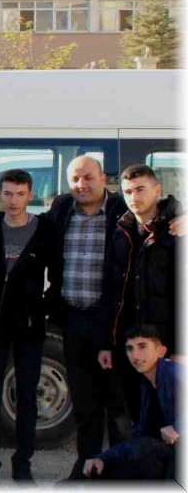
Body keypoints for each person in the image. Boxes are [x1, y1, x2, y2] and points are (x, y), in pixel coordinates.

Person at [37, 155, 131, 479]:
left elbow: (159, 206)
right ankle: (86, 470)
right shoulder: (61, 211)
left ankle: (118, 475)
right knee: (85, 404)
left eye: (88, 177)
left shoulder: (123, 210)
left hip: (113, 323)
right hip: (74, 321)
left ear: (103, 178)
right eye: (75, 179)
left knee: (118, 407)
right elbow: (26, 224)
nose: (82, 184)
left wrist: (178, 213)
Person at [0, 169, 54, 485]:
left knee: (27, 399)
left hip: (30, 327)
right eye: (7, 193)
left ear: (30, 195)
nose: (14, 200)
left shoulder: (44, 229)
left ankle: (23, 465)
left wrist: (43, 307)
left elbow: (56, 273)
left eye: (20, 194)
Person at [104, 164, 181, 420]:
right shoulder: (120, 232)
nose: (134, 198)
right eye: (127, 192)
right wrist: (107, 344)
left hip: (165, 351)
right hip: (129, 348)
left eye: (140, 190)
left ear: (157, 190)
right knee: (133, 417)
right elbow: (112, 293)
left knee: (169, 425)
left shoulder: (176, 233)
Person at [82, 325, 179, 481]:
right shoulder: (147, 383)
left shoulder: (174, 372)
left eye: (142, 347)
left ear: (160, 351)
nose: (135, 355)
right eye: (129, 348)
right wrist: (103, 458)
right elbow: (140, 437)